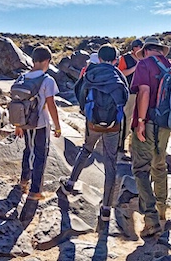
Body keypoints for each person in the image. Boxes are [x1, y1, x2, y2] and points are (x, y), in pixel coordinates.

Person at [58, 44, 129, 225]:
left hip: (93, 122)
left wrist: (86, 112)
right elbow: (125, 97)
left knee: (86, 149)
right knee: (110, 162)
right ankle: (106, 209)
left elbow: (79, 91)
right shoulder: (118, 75)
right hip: (113, 125)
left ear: (99, 57)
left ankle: (69, 185)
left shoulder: (91, 72)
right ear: (116, 59)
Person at [130, 36, 171, 238]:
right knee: (160, 165)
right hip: (165, 124)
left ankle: (151, 220)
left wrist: (140, 121)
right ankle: (162, 210)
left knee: (140, 169)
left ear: (146, 50)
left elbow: (144, 92)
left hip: (147, 122)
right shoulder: (170, 65)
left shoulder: (144, 64)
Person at [15, 45, 62, 201]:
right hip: (40, 124)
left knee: (28, 150)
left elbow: (17, 102)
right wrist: (57, 126)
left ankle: (23, 181)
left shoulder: (22, 77)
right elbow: (51, 105)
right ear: (47, 61)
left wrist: (17, 124)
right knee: (40, 155)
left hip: (24, 122)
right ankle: (35, 191)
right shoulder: (47, 80)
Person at [117, 39, 143, 160]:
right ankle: (121, 144)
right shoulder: (125, 58)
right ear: (133, 48)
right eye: (138, 47)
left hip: (141, 92)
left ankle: (134, 145)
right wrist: (136, 67)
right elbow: (121, 73)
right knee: (127, 118)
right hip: (129, 92)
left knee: (139, 119)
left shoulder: (144, 58)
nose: (140, 48)